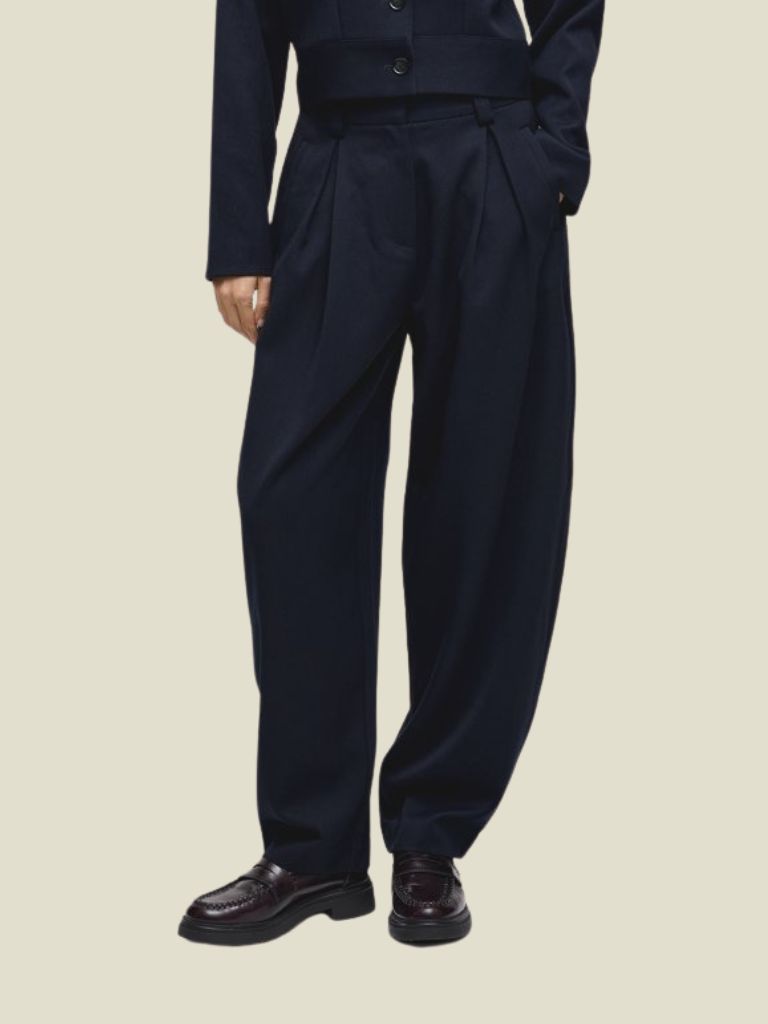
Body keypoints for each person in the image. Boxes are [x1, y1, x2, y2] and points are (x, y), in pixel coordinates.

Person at [178, 0, 604, 946]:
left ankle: (431, 832)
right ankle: (313, 846)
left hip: (493, 155)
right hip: (335, 156)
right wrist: (238, 229)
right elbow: (246, 18)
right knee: (290, 496)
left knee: (484, 496)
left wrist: (555, 155)